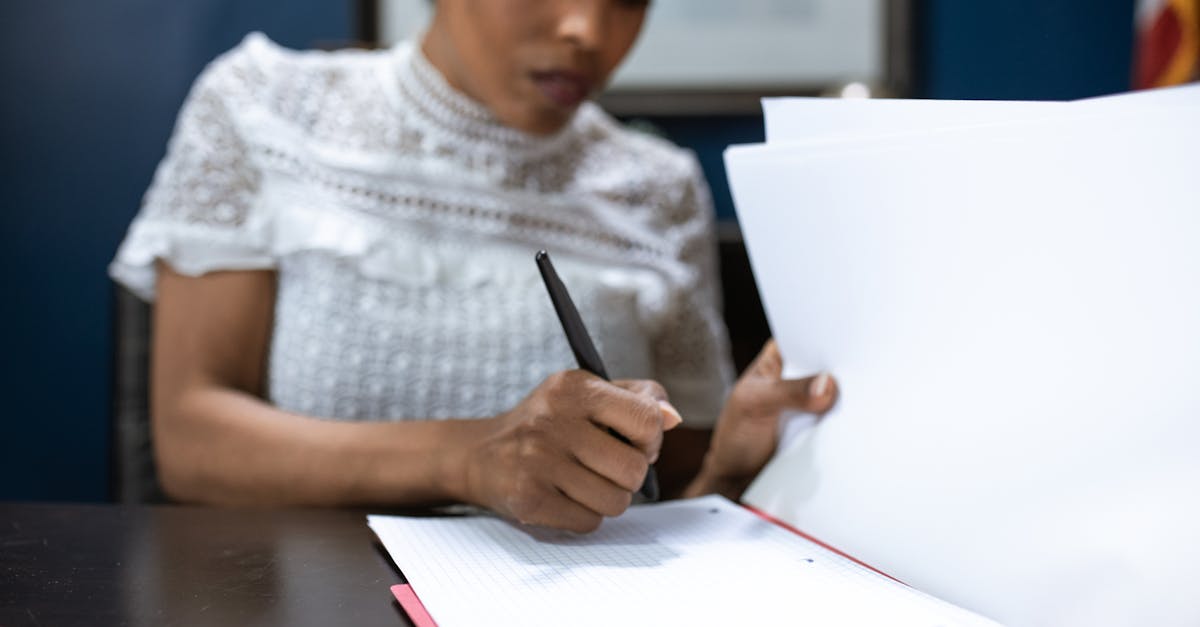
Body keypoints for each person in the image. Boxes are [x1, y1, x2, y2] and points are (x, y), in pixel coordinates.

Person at [109, 0, 837, 532]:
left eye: (627, 0)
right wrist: (467, 456)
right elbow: (191, 440)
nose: (589, 31)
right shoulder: (265, 108)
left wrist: (732, 472)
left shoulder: (659, 185)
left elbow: (667, 494)